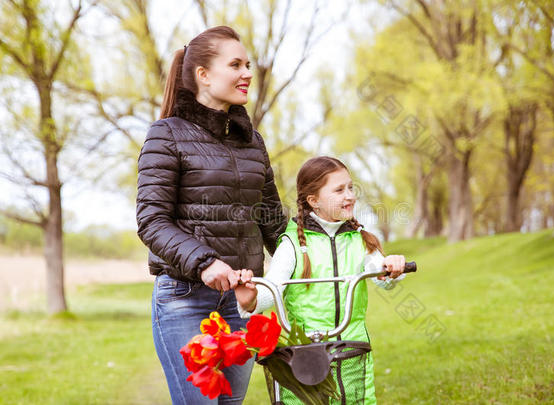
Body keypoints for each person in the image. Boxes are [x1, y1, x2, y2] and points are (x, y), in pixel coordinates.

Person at [136, 26, 287, 405]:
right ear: (203, 75)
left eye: (248, 65)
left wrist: (331, 243)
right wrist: (204, 262)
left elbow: (273, 222)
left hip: (242, 301)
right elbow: (151, 220)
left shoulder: (252, 142)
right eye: (235, 64)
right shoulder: (166, 134)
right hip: (184, 299)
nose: (247, 73)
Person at [235, 156, 408, 405]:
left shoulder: (360, 239)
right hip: (305, 353)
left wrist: (391, 268)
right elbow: (272, 287)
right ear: (313, 201)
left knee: (354, 399)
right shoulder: (292, 244)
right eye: (338, 190)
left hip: (351, 348)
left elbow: (380, 273)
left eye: (350, 187)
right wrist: (251, 299)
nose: (348, 195)